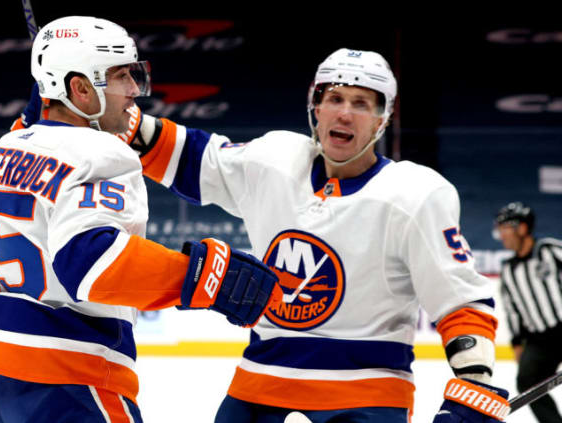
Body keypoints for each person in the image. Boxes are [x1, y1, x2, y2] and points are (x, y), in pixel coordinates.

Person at [104, 48, 510, 422]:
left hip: (367, 388)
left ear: (382, 119)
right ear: (314, 106)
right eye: (334, 98)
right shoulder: (276, 159)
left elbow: (460, 299)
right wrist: (107, 113)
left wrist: (473, 381)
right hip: (264, 374)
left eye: (361, 103)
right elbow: (189, 155)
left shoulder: (417, 195)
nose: (344, 114)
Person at [0, 16, 280, 423]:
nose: (134, 90)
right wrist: (205, 278)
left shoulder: (7, 145)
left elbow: (39, 130)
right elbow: (93, 263)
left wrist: (49, 97)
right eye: (120, 77)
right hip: (65, 373)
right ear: (80, 89)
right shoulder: (103, 153)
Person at [495, 202, 562, 423]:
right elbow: (512, 309)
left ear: (522, 228)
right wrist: (517, 343)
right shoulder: (508, 269)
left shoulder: (550, 250)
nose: (501, 234)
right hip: (539, 340)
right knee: (527, 383)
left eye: (505, 228)